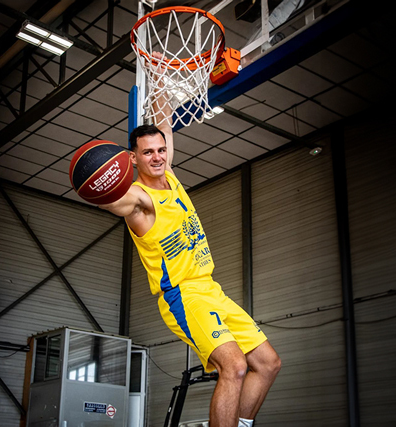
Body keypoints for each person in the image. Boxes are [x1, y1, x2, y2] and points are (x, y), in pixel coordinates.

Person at [99, 84, 281, 426]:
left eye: (161, 150)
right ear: (133, 158)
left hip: (212, 289)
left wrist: (159, 82)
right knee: (236, 366)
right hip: (183, 295)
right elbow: (111, 201)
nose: (157, 156)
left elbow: (164, 122)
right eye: (148, 152)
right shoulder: (139, 200)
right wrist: (96, 183)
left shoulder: (169, 173)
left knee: (268, 363)